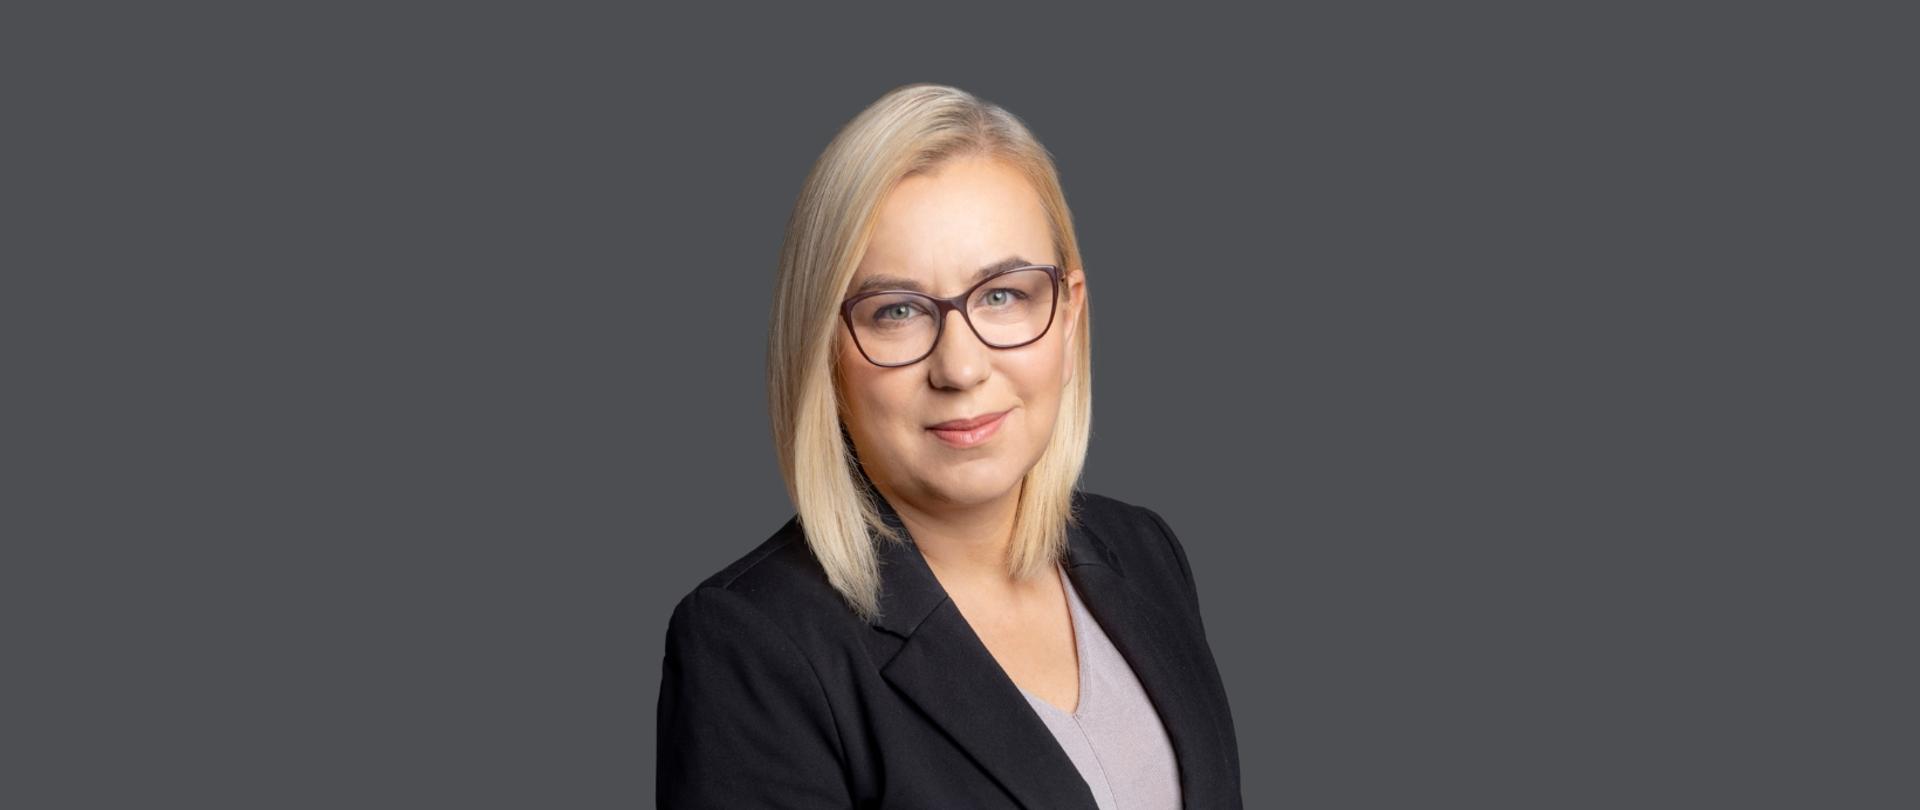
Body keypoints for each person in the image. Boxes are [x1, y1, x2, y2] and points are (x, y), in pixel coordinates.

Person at [655, 82, 1241, 809]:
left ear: (1068, 320)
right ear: (822, 352)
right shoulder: (753, 645)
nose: (960, 368)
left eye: (1003, 295)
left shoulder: (1144, 552)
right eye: (897, 311)